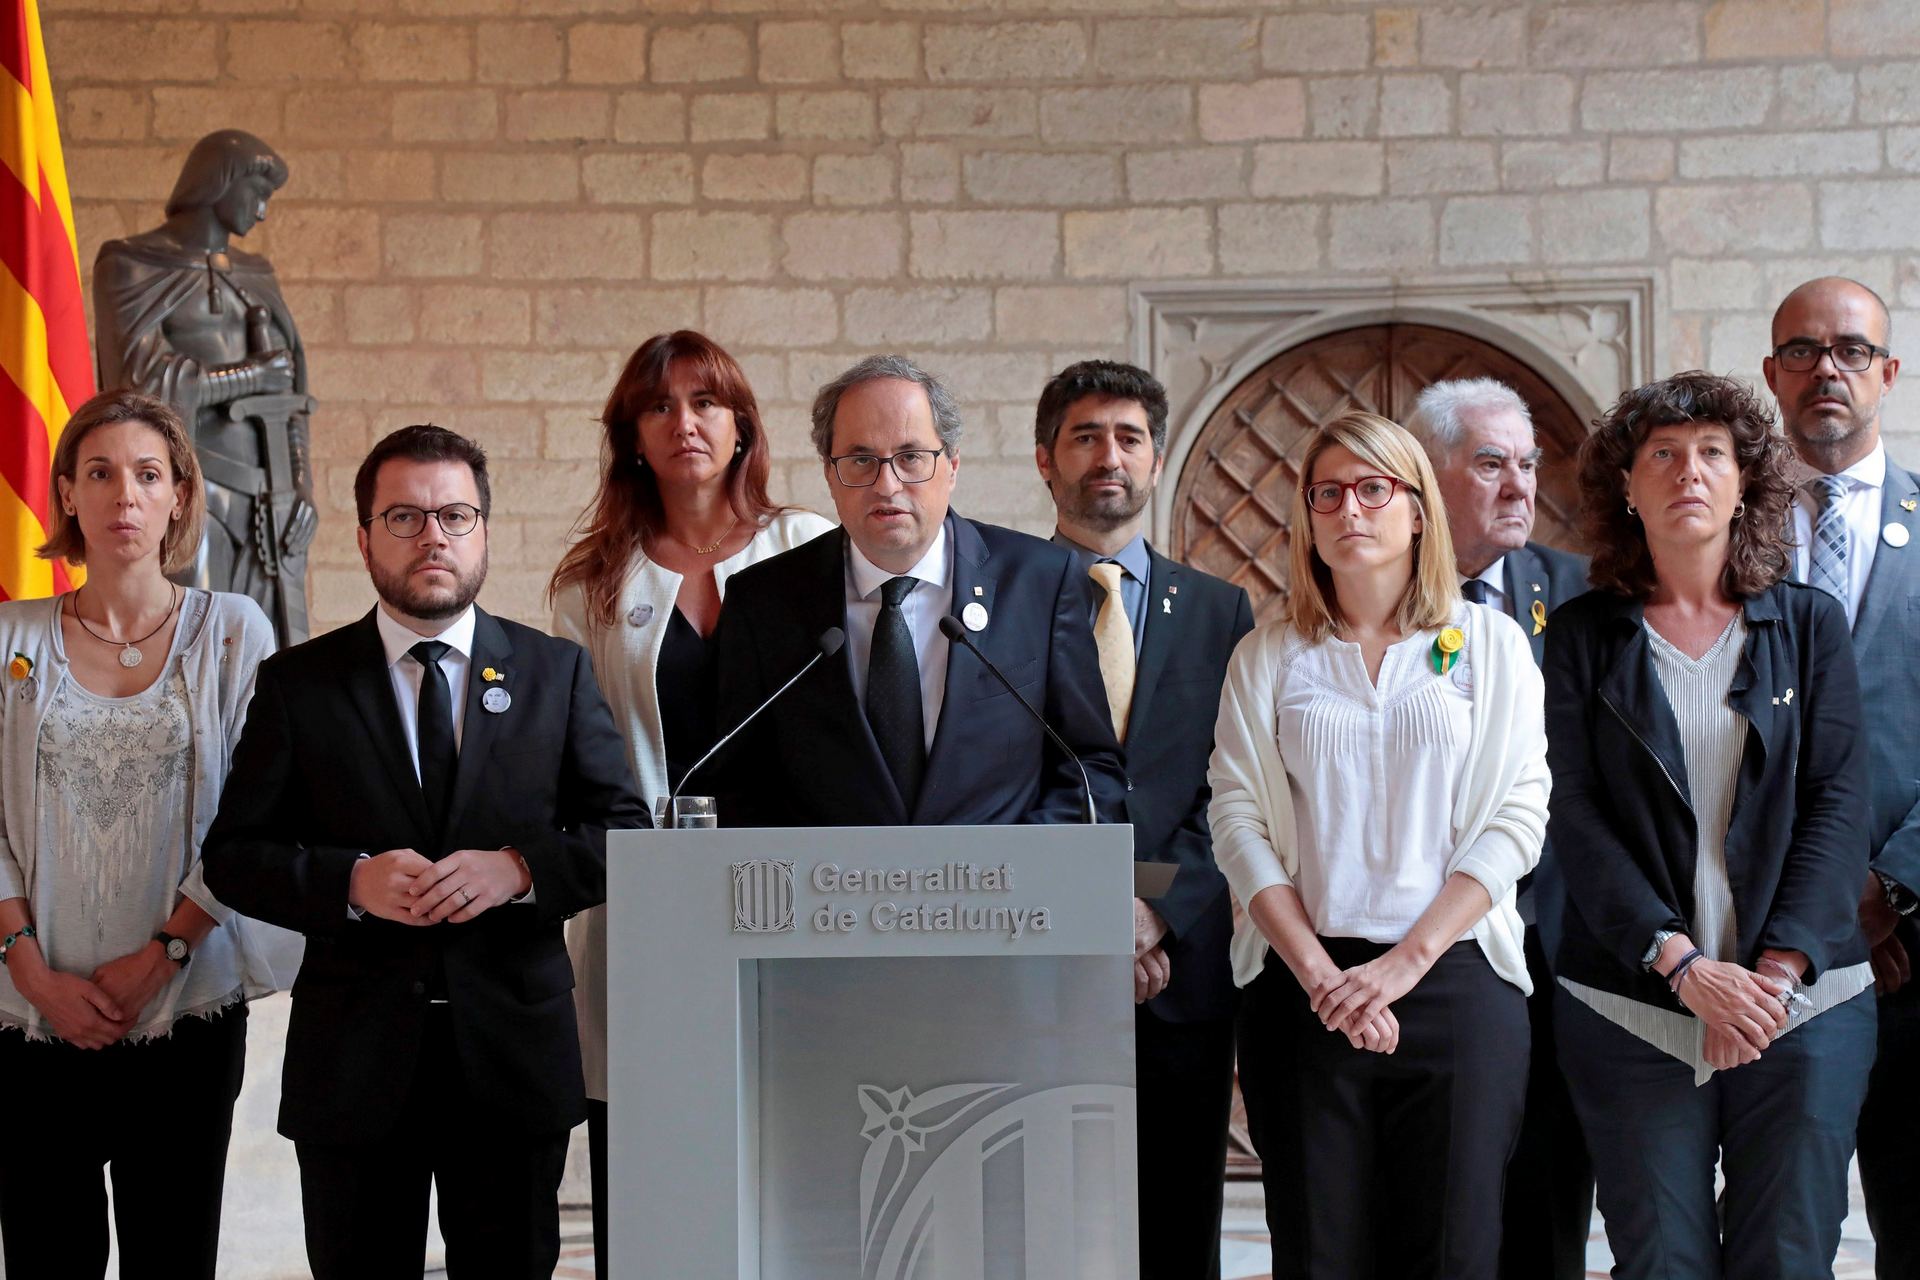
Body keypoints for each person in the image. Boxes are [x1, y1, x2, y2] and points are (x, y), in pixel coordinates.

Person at [201, 425, 647, 1279]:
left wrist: (518, 870)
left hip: (511, 1063)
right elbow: (234, 854)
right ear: (364, 537)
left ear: (484, 532)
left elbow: (624, 831)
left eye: (454, 514)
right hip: (354, 1070)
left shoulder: (555, 674)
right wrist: (349, 883)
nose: (432, 535)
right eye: (403, 516)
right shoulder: (301, 685)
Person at [1544, 371, 1873, 1279]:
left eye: (1712, 454)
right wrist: (1685, 969)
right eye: (1663, 455)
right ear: (1627, 485)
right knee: (1660, 1260)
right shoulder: (1577, 637)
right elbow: (1573, 814)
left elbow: (1840, 801)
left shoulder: (1811, 626)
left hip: (1803, 1002)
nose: (1689, 472)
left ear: (1744, 483)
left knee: (1790, 1255)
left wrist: (1767, 978)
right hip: (1632, 1001)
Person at [1209, 411, 1546, 1278]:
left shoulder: (1490, 646)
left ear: (1419, 510)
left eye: (1373, 489)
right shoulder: (1270, 655)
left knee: (1452, 1254)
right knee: (1319, 1255)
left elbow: (1518, 817)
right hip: (1304, 992)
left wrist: (1400, 968)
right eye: (1328, 494)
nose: (1349, 510)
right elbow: (1237, 819)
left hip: (1456, 983)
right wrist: (1324, 976)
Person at [547, 330, 831, 1266]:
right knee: (651, 1177)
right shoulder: (592, 584)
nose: (685, 424)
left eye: (707, 402)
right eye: (659, 406)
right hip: (648, 908)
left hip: (790, 901)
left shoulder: (814, 549)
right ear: (631, 434)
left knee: (788, 1167)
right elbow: (579, 761)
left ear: (742, 425)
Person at [0, 389, 291, 1278]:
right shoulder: (9, 634)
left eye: (147, 473)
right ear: (68, 496)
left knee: (174, 1257)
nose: (124, 493)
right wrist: (27, 965)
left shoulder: (233, 631)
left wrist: (164, 950)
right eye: (100, 472)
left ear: (177, 497)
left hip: (185, 1010)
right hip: (29, 1016)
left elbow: (256, 813)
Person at [1032, 359, 1252, 1280]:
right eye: (1085, 436)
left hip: (1180, 973)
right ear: (1046, 460)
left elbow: (1233, 789)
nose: (1107, 456)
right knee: (1043, 1231)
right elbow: (1000, 779)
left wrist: (1150, 910)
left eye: (1128, 438)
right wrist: (1093, 915)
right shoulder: (997, 599)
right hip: (1039, 965)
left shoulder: (1217, 610)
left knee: (1175, 1235)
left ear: (1157, 462)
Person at [714, 354, 1126, 828]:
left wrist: (1023, 861)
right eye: (861, 459)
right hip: (830, 894)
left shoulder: (1041, 581)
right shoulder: (763, 601)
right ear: (830, 473)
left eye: (910, 457)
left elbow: (1089, 765)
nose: (886, 485)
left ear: (951, 466)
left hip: (999, 893)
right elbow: (737, 785)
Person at [1404, 376, 1593, 1280]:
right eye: (1490, 465)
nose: (1520, 486)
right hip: (1423, 950)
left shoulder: (1580, 595)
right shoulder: (1376, 600)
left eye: (1528, 464)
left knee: (1547, 1209)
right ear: (1425, 479)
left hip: (1557, 953)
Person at [1761, 277, 1920, 1270]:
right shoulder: (1718, 537)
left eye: (1853, 351)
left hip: (1915, 949)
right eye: (1806, 350)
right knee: (1780, 1236)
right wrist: (1814, 896)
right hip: (1768, 950)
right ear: (1771, 372)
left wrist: (1888, 886)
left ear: (1888, 372)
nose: (1830, 369)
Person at [93, 128, 318, 647]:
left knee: (271, 654)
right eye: (256, 193)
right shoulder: (132, 263)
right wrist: (249, 377)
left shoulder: (256, 273)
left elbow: (291, 393)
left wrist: (301, 483)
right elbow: (140, 382)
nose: (261, 213)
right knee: (188, 643)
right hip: (187, 487)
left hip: (270, 492)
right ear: (219, 181)